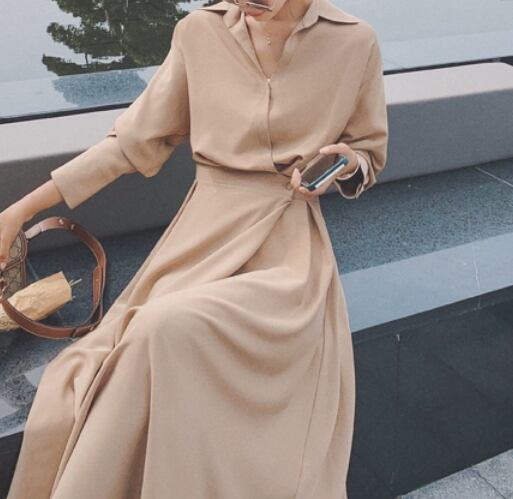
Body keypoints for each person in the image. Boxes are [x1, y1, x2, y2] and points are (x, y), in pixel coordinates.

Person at [0, 0, 388, 496]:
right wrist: (20, 211)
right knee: (144, 335)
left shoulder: (354, 41)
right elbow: (129, 144)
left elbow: (369, 152)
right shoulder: (198, 33)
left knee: (162, 325)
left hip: (288, 252)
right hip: (202, 237)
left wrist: (346, 163)